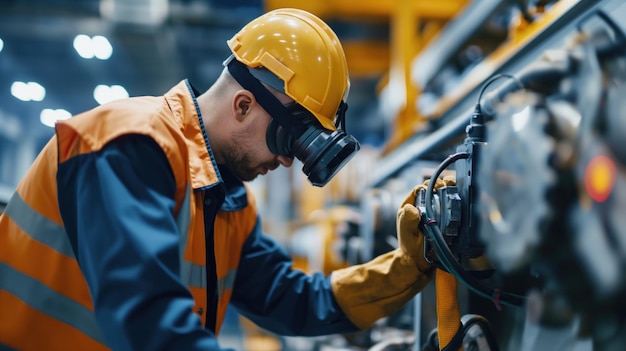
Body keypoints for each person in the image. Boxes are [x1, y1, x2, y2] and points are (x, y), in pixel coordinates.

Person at [0, 8, 443, 351]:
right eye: (286, 141)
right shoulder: (128, 144)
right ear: (244, 106)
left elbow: (292, 299)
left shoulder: (227, 199)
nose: (287, 162)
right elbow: (150, 320)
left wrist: (406, 268)